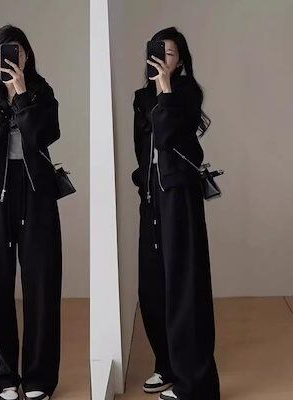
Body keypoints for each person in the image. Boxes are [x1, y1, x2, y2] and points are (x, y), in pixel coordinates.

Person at [0, 24, 62, 400]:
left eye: (15, 52)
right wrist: (2, 108)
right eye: (1, 54)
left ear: (26, 55)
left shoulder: (42, 93)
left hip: (36, 192)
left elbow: (45, 135)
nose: (7, 59)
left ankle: (39, 378)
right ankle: (3, 377)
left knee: (42, 283)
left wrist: (22, 94)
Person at [132, 26, 220, 400]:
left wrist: (166, 88)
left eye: (169, 53)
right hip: (152, 197)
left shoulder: (186, 93)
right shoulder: (141, 98)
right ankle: (167, 366)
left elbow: (167, 136)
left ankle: (194, 384)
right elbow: (142, 149)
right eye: (158, 51)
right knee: (152, 286)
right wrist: (143, 186)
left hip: (179, 196)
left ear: (179, 60)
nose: (162, 58)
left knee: (184, 286)